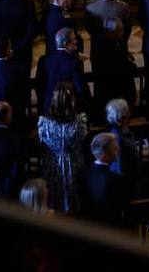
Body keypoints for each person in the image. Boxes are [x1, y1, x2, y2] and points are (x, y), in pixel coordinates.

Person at [37, 81, 87, 213]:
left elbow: (42, 143)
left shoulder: (44, 122)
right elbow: (82, 138)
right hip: (73, 162)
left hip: (53, 164)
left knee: (53, 199)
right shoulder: (79, 121)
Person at [78, 132, 127, 225]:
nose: (118, 151)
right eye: (114, 148)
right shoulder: (115, 179)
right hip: (109, 228)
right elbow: (120, 208)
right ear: (105, 154)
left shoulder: (82, 174)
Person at [39, 26, 88, 115]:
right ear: (66, 43)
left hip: (47, 108)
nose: (76, 41)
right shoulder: (74, 63)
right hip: (66, 111)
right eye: (74, 39)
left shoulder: (44, 60)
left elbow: (39, 85)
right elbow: (81, 90)